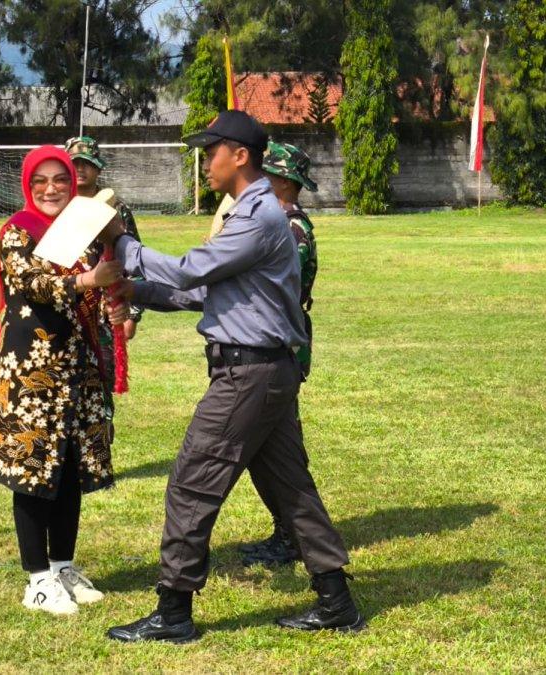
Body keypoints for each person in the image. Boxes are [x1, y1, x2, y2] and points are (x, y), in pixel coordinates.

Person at [103, 111, 364, 644]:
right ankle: (336, 601)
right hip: (265, 371)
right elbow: (204, 292)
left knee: (191, 483)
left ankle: (174, 612)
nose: (205, 162)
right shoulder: (253, 211)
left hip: (248, 374)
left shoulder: (258, 215)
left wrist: (123, 244)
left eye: (211, 151)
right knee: (292, 492)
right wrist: (139, 291)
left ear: (240, 155)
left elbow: (188, 270)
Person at [0, 145, 127, 616]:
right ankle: (37, 579)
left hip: (77, 367)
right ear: (27, 185)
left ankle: (63, 566)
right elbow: (30, 283)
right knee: (32, 471)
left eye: (60, 179)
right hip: (30, 370)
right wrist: (87, 282)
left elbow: (105, 281)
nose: (51, 189)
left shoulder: (84, 231)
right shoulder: (18, 230)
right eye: (40, 181)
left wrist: (114, 297)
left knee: (68, 469)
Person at [238, 141, 320, 568]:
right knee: (268, 447)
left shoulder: (290, 228)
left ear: (284, 182)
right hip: (271, 345)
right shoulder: (278, 222)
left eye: (263, 176)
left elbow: (275, 289)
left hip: (278, 347)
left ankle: (294, 535)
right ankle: (288, 531)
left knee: (280, 448)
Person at [65, 135, 143, 345]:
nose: (80, 169)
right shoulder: (57, 208)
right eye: (75, 163)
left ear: (98, 169)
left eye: (87, 163)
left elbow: (134, 261)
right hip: (66, 310)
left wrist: (133, 315)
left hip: (107, 314)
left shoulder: (116, 209)